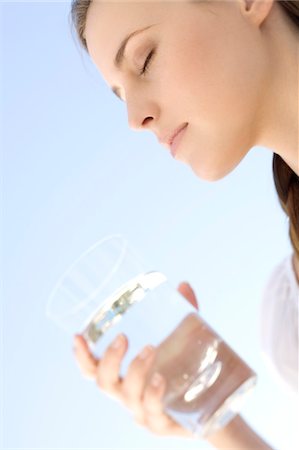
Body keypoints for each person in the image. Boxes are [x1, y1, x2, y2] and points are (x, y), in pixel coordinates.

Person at [70, 0, 299, 448]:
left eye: (145, 58)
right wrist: (216, 422)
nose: (134, 119)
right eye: (120, 94)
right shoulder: (288, 318)